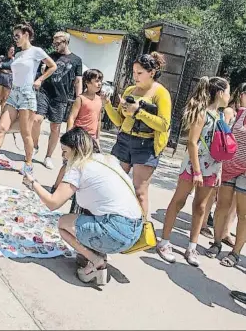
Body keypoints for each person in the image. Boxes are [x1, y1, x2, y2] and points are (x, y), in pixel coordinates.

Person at [22, 127, 143, 285]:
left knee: (63, 224)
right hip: (136, 231)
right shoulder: (108, 159)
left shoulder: (78, 167)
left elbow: (53, 203)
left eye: (65, 151)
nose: (63, 156)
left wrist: (33, 183)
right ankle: (97, 254)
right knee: (88, 214)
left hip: (116, 233)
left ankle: (95, 260)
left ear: (75, 150)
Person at [157, 76, 231, 267]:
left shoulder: (221, 116)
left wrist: (219, 171)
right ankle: (164, 242)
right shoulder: (202, 113)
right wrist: (197, 171)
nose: (230, 96)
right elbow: (192, 142)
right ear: (221, 93)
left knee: (201, 207)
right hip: (194, 166)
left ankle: (192, 246)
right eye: (228, 92)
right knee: (179, 201)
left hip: (212, 168)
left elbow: (220, 146)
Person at [0, 22, 57, 175]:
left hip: (27, 94)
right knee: (1, 128)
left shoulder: (36, 51)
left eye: (17, 36)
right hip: (14, 93)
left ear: (26, 35)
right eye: (14, 36)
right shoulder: (17, 55)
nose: (15, 39)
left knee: (25, 133)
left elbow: (53, 66)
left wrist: (40, 79)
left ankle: (29, 164)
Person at [104, 52, 171, 215]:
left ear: (152, 73)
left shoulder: (161, 93)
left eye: (139, 73)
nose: (135, 76)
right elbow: (119, 121)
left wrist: (138, 112)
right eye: (134, 72)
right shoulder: (130, 90)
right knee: (115, 183)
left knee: (140, 191)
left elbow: (164, 125)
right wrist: (106, 105)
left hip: (145, 145)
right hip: (124, 140)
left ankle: (142, 231)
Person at [205, 82, 246, 267]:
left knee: (243, 214)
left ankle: (236, 253)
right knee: (222, 206)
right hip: (229, 167)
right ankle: (216, 243)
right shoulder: (238, 114)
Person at [32, 31, 83, 170]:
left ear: (66, 42)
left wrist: (80, 98)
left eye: (57, 43)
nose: (55, 45)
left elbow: (78, 81)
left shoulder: (76, 60)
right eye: (53, 43)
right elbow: (41, 70)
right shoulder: (51, 56)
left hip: (61, 97)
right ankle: (34, 145)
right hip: (45, 91)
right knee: (36, 119)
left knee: (55, 127)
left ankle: (48, 156)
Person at [52, 69, 104, 191]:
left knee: (87, 165)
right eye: (96, 81)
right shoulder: (81, 99)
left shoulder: (99, 99)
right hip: (79, 137)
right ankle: (56, 187)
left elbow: (99, 119)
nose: (99, 84)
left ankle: (77, 189)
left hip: (91, 138)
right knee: (69, 164)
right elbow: (71, 117)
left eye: (100, 81)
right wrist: (69, 137)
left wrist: (98, 138)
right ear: (87, 82)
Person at [0, 47, 15, 119]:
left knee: (5, 98)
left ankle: (2, 115)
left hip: (9, 78)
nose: (12, 51)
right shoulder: (3, 58)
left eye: (13, 50)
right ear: (8, 50)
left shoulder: (14, 60)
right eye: (11, 50)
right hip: (0, 76)